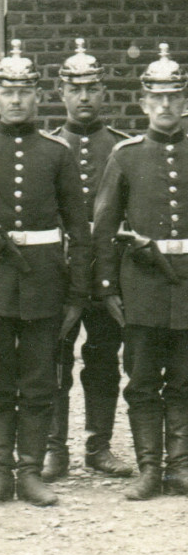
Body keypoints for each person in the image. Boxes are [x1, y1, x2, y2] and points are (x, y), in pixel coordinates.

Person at [0, 40, 90, 508]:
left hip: (45, 280)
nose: (16, 100)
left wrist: (76, 294)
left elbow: (78, 229)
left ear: (38, 96)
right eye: (7, 91)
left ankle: (30, 472)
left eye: (25, 91)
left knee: (39, 380)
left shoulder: (57, 152)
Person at [93, 44, 188, 501]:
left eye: (174, 96)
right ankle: (150, 468)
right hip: (144, 283)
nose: (167, 104)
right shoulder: (126, 156)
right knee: (144, 379)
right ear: (144, 103)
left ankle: (181, 466)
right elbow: (105, 226)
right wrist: (109, 285)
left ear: (184, 101)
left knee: (185, 378)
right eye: (158, 97)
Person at [42, 40, 132, 482]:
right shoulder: (47, 147)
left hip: (107, 271)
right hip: (59, 273)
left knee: (103, 358)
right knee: (55, 355)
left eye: (92, 89)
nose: (83, 98)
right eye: (74, 89)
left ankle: (99, 445)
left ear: (104, 93)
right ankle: (54, 449)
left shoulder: (119, 148)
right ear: (60, 92)